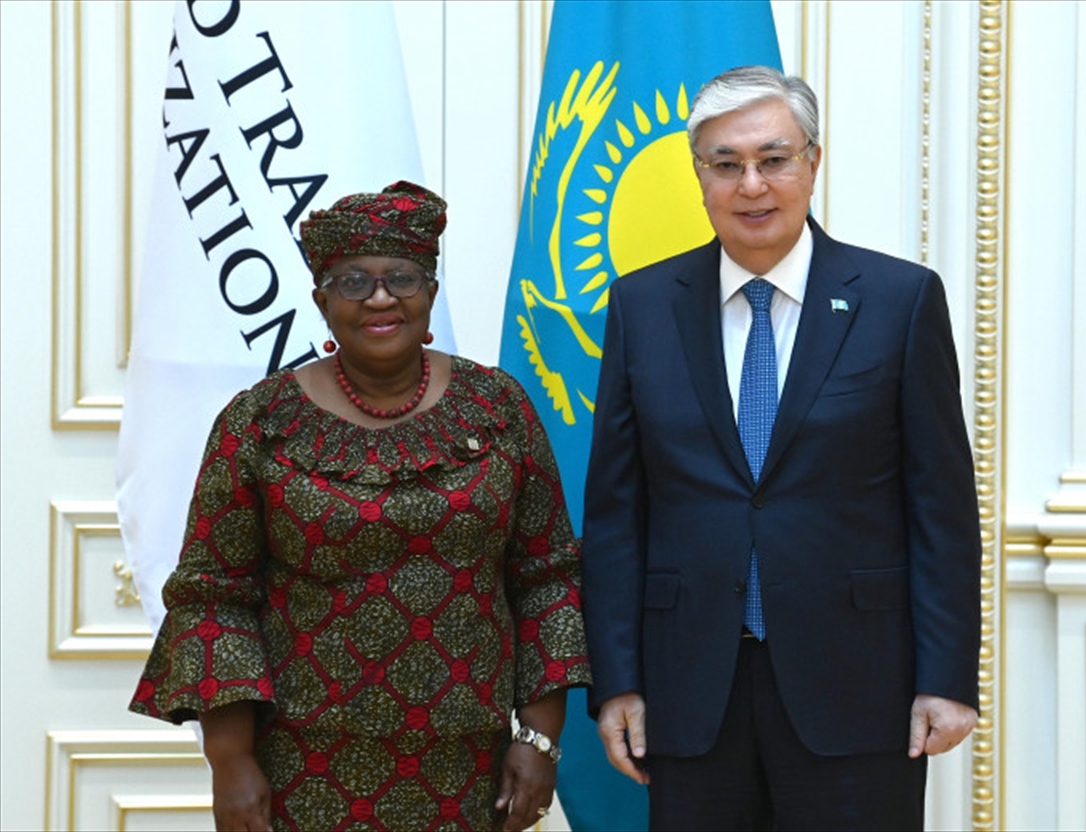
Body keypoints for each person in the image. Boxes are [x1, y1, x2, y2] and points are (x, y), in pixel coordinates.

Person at [582, 66, 981, 830]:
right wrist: (618, 681)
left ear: (813, 162)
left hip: (861, 686)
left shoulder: (898, 300)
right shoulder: (642, 305)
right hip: (689, 687)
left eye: (773, 159)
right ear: (699, 175)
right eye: (726, 164)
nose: (752, 185)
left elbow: (941, 508)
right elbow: (615, 516)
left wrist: (948, 677)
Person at [130, 181, 590, 832]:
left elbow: (547, 579)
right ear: (322, 301)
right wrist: (229, 760)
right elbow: (214, 599)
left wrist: (540, 739)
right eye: (353, 282)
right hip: (301, 767)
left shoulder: (499, 407)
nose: (380, 298)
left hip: (466, 766)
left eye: (402, 278)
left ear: (430, 292)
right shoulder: (259, 422)